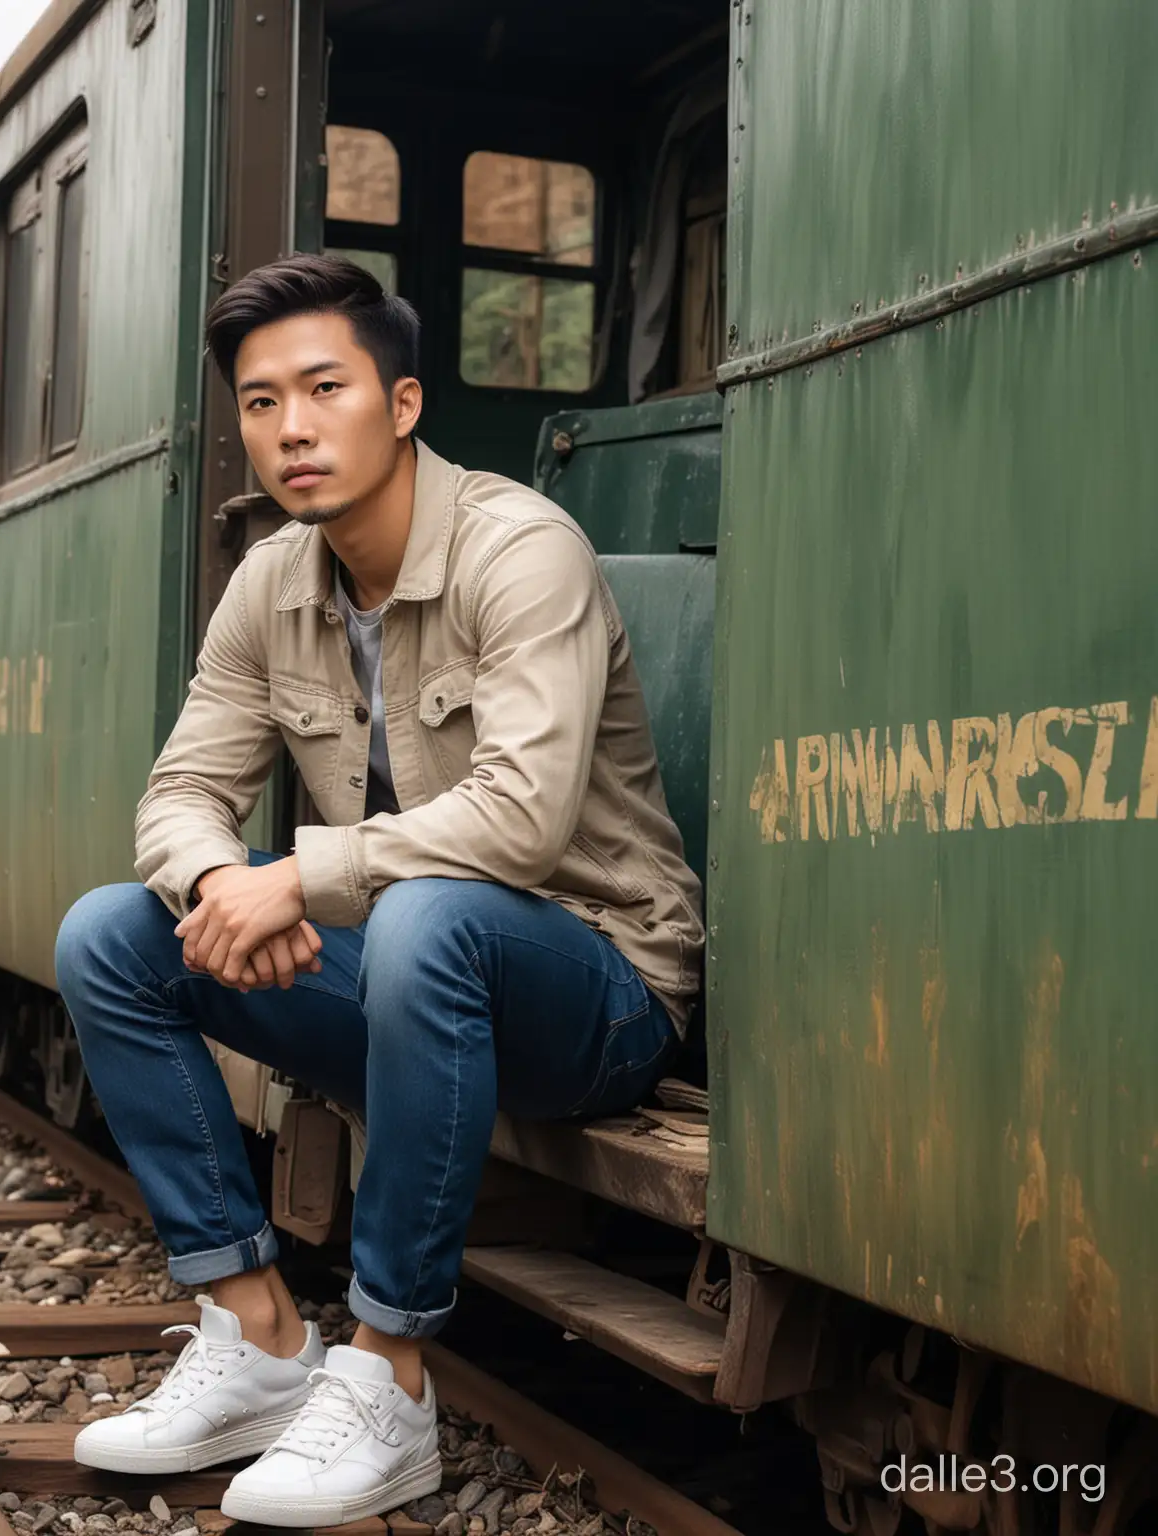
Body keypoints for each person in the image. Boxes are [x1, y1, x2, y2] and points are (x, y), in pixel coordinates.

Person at [54, 254, 704, 1526]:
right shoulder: (271, 584)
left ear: (402, 404)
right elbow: (176, 799)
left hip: (599, 991)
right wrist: (217, 884)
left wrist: (294, 877)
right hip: (410, 973)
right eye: (257, 403)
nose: (289, 428)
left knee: (421, 915)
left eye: (323, 388)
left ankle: (391, 1371)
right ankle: (257, 1339)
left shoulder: (520, 549)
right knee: (112, 938)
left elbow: (517, 822)